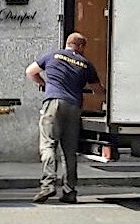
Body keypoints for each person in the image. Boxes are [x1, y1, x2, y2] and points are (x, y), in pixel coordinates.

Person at [25, 32, 105, 204]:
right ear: (80, 46)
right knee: (69, 151)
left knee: (48, 144)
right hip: (74, 106)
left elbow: (30, 71)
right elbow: (98, 90)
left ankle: (47, 185)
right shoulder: (85, 64)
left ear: (68, 44)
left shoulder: (52, 55)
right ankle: (69, 191)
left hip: (53, 103)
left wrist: (43, 83)